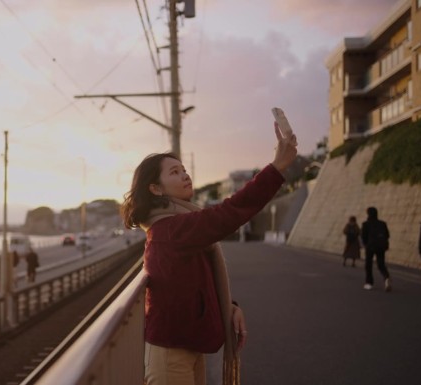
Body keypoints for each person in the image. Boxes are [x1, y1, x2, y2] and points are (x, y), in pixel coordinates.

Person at [120, 123, 297, 385]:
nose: (184, 175)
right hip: (172, 356)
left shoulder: (174, 225)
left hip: (185, 347)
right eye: (174, 172)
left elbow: (194, 284)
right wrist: (276, 168)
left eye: (184, 170)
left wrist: (229, 307)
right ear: (156, 189)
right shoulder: (170, 230)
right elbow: (228, 214)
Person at [361, 207, 391, 292]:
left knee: (368, 264)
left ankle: (369, 283)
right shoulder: (382, 223)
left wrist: (366, 244)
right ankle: (386, 277)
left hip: (370, 246)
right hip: (381, 246)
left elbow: (363, 236)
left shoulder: (366, 224)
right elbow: (387, 235)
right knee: (381, 264)